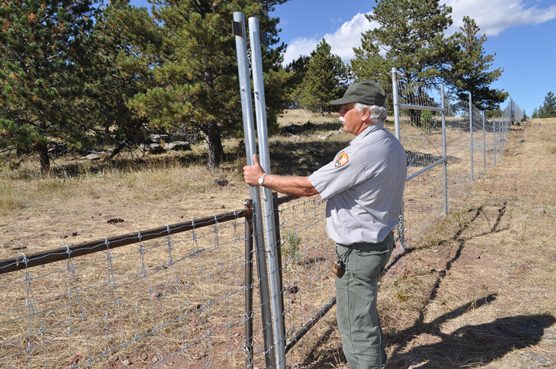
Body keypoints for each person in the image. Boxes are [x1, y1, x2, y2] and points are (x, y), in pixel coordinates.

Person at [243, 80, 407, 369]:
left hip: (359, 251)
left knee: (355, 324)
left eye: (345, 109)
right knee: (362, 315)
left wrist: (261, 179)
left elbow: (309, 187)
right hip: (377, 243)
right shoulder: (390, 143)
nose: (339, 115)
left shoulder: (363, 151)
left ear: (365, 113)